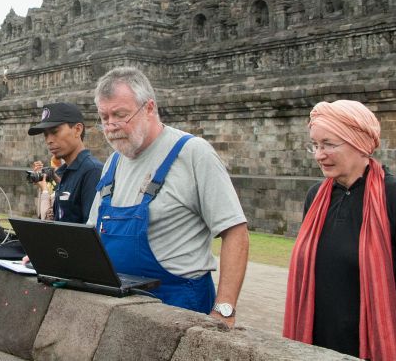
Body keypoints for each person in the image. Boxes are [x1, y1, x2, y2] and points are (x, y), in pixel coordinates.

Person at [89, 67, 248, 323]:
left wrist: (224, 310)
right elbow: (93, 233)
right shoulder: (112, 164)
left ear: (149, 108)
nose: (111, 126)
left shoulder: (193, 154)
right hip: (118, 307)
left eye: (120, 115)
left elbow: (235, 232)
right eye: (104, 118)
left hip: (179, 304)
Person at [284, 100, 396, 360]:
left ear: (360, 144)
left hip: (371, 346)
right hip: (317, 343)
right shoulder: (316, 197)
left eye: (329, 144)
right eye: (315, 145)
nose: (319, 154)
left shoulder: (390, 196)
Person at [27, 102, 102, 223]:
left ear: (77, 130)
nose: (49, 140)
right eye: (46, 135)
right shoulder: (63, 174)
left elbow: (91, 232)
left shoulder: (92, 171)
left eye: (55, 132)